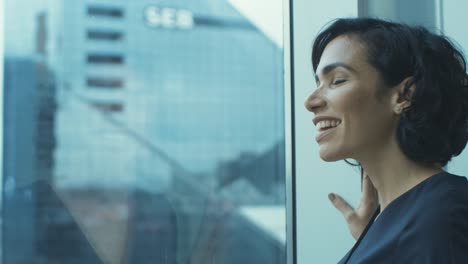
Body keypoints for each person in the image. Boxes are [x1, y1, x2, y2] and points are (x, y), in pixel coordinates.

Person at [304, 18, 468, 263]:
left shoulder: (439, 219)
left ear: (404, 94)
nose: (310, 102)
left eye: (337, 80)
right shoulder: (409, 220)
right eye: (318, 83)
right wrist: (372, 242)